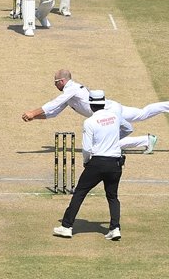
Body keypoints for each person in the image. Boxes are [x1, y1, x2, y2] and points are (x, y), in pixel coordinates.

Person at [21, 69, 169, 153]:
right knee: (142, 113)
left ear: (63, 80)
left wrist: (32, 112)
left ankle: (146, 140)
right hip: (112, 108)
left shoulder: (70, 89)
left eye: (55, 82)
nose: (54, 85)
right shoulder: (69, 94)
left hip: (110, 112)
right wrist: (35, 118)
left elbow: (53, 103)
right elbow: (53, 112)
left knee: (102, 146)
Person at [53, 90, 125, 240]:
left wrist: (86, 161)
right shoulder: (115, 117)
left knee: (80, 193)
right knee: (112, 196)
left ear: (91, 105)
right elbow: (128, 128)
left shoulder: (90, 122)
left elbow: (86, 148)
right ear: (104, 102)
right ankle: (115, 228)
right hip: (115, 163)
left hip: (97, 163)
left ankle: (66, 226)